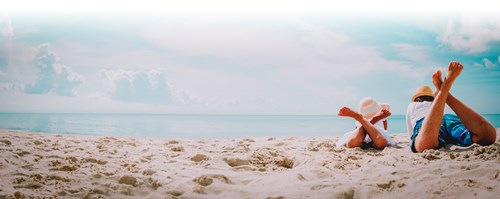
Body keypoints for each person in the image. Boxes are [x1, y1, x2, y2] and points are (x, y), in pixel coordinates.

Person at [406, 61, 496, 153]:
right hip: (447, 118)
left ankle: (444, 90)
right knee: (488, 136)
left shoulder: (412, 105)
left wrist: (415, 138)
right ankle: (446, 94)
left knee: (424, 145)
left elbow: (411, 130)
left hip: (429, 123)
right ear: (433, 97)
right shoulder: (438, 102)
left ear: (416, 98)